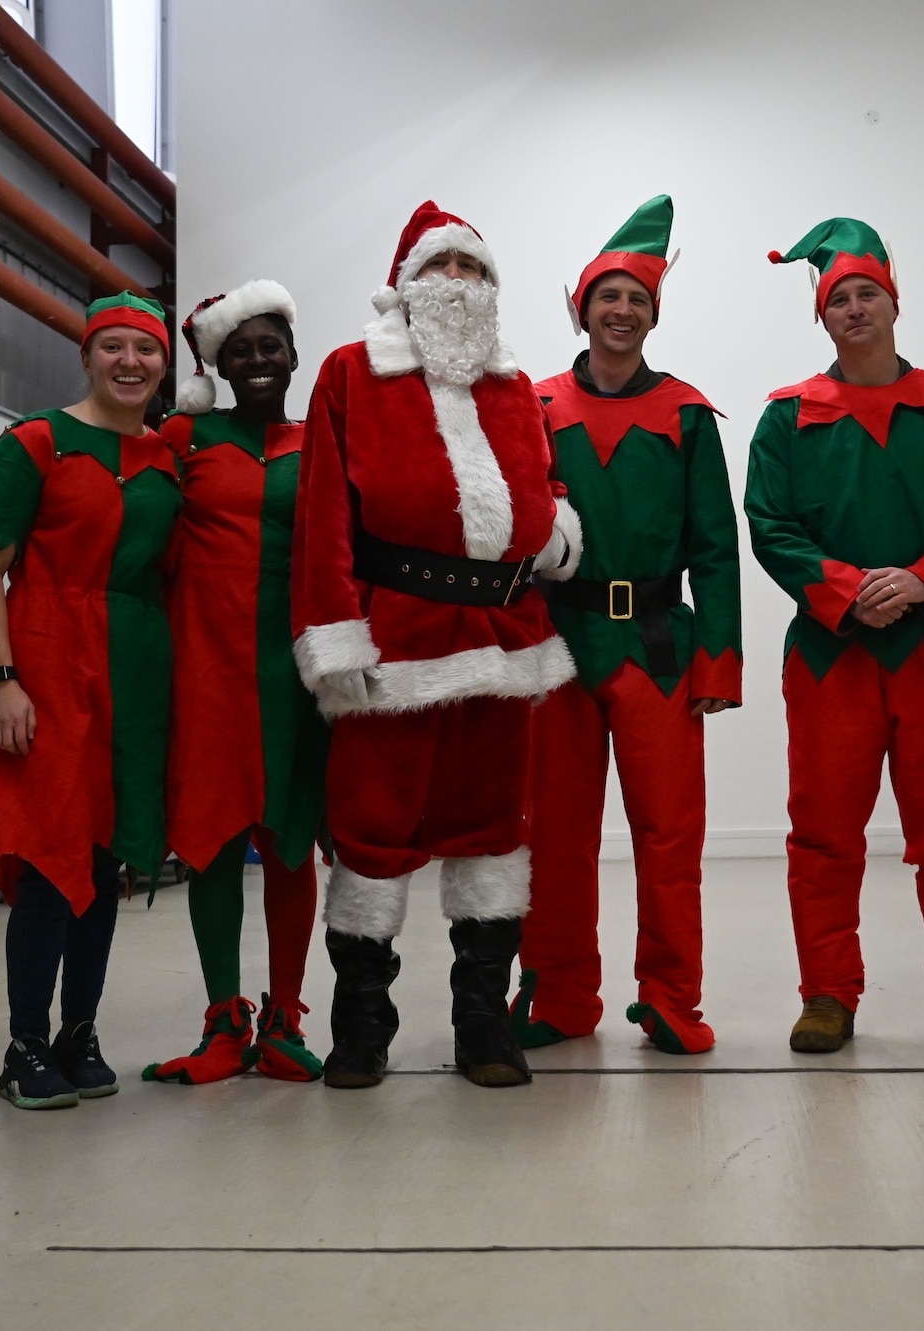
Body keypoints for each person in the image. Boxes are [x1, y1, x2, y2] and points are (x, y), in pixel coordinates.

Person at [291, 201, 582, 1090]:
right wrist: (338, 644)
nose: (459, 282)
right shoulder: (350, 373)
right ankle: (362, 1027)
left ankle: (482, 1022)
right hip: (396, 641)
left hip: (505, 638)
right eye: (442, 267)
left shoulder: (513, 385)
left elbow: (536, 481)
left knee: (494, 834)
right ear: (406, 284)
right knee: (372, 833)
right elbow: (324, 519)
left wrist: (553, 526)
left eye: (475, 270)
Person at [744, 219, 924, 1056]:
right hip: (831, 657)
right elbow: (769, 526)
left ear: (894, 303)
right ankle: (827, 993)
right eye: (839, 300)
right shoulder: (786, 420)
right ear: (821, 318)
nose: (855, 309)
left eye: (868, 295)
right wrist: (845, 591)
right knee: (823, 833)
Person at [0, 291, 183, 1109]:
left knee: (104, 858)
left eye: (145, 350)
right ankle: (25, 1044)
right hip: (44, 657)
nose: (129, 363)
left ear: (162, 363)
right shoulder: (37, 441)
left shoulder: (166, 459)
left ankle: (81, 1032)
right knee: (48, 859)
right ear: (85, 356)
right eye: (112, 347)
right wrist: (2, 677)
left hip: (135, 668)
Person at [512, 195, 741, 1056]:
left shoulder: (687, 415)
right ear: (582, 306)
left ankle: (673, 999)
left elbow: (717, 548)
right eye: (608, 296)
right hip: (559, 643)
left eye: (638, 299)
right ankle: (560, 997)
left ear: (654, 313)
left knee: (669, 835)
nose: (622, 311)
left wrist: (719, 663)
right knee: (555, 835)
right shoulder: (532, 405)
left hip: (657, 646)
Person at [143, 280, 331, 1085]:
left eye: (270, 347)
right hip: (207, 670)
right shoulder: (183, 435)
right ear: (216, 362)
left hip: (294, 676)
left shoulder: (321, 440)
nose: (257, 361)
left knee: (291, 846)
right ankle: (225, 1018)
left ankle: (285, 1013)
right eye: (239, 350)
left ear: (293, 356)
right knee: (212, 844)